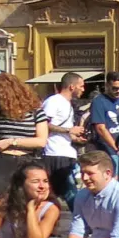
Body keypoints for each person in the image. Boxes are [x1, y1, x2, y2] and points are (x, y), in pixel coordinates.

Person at [0, 73, 50, 207]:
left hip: (27, 161)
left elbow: (41, 141)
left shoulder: (36, 112)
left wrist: (11, 141)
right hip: (1, 162)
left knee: (27, 203)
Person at [39, 72, 87, 206]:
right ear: (72, 86)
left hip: (66, 152)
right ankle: (82, 222)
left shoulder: (68, 104)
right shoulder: (54, 101)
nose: (83, 90)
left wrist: (75, 137)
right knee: (70, 193)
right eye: (81, 86)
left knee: (61, 193)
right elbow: (43, 124)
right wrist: (69, 130)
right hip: (54, 154)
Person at [88, 72, 119, 173]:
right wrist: (116, 148)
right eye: (115, 88)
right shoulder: (99, 101)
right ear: (107, 85)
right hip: (108, 150)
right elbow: (100, 128)